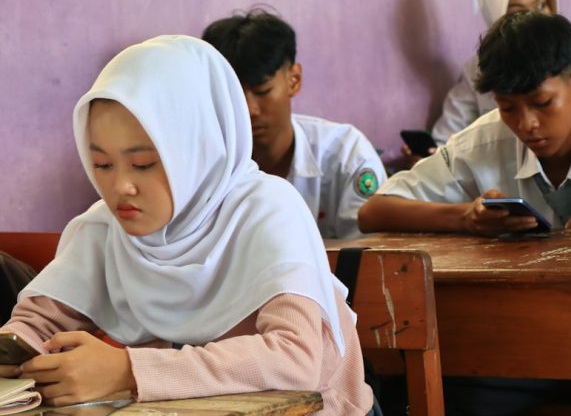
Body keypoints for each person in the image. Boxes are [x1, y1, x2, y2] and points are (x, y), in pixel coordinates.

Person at [0, 35, 375, 415]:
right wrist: (17, 349)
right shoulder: (104, 228)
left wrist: (128, 371)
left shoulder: (268, 211)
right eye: (102, 165)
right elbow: (34, 324)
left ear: (199, 151)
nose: (119, 187)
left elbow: (296, 359)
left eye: (144, 163)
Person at [360, 11, 571, 416]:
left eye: (542, 104)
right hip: (521, 341)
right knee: (431, 400)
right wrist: (466, 219)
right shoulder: (481, 142)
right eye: (508, 108)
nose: (526, 124)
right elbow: (376, 211)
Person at [202, 10, 386, 239]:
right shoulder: (203, 165)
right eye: (234, 96)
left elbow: (373, 258)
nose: (249, 110)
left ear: (294, 80)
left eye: (263, 92)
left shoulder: (347, 156)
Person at [402, 0, 571, 167]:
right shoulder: (480, 67)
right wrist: (428, 159)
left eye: (541, 5)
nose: (535, 17)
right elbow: (449, 135)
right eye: (507, 108)